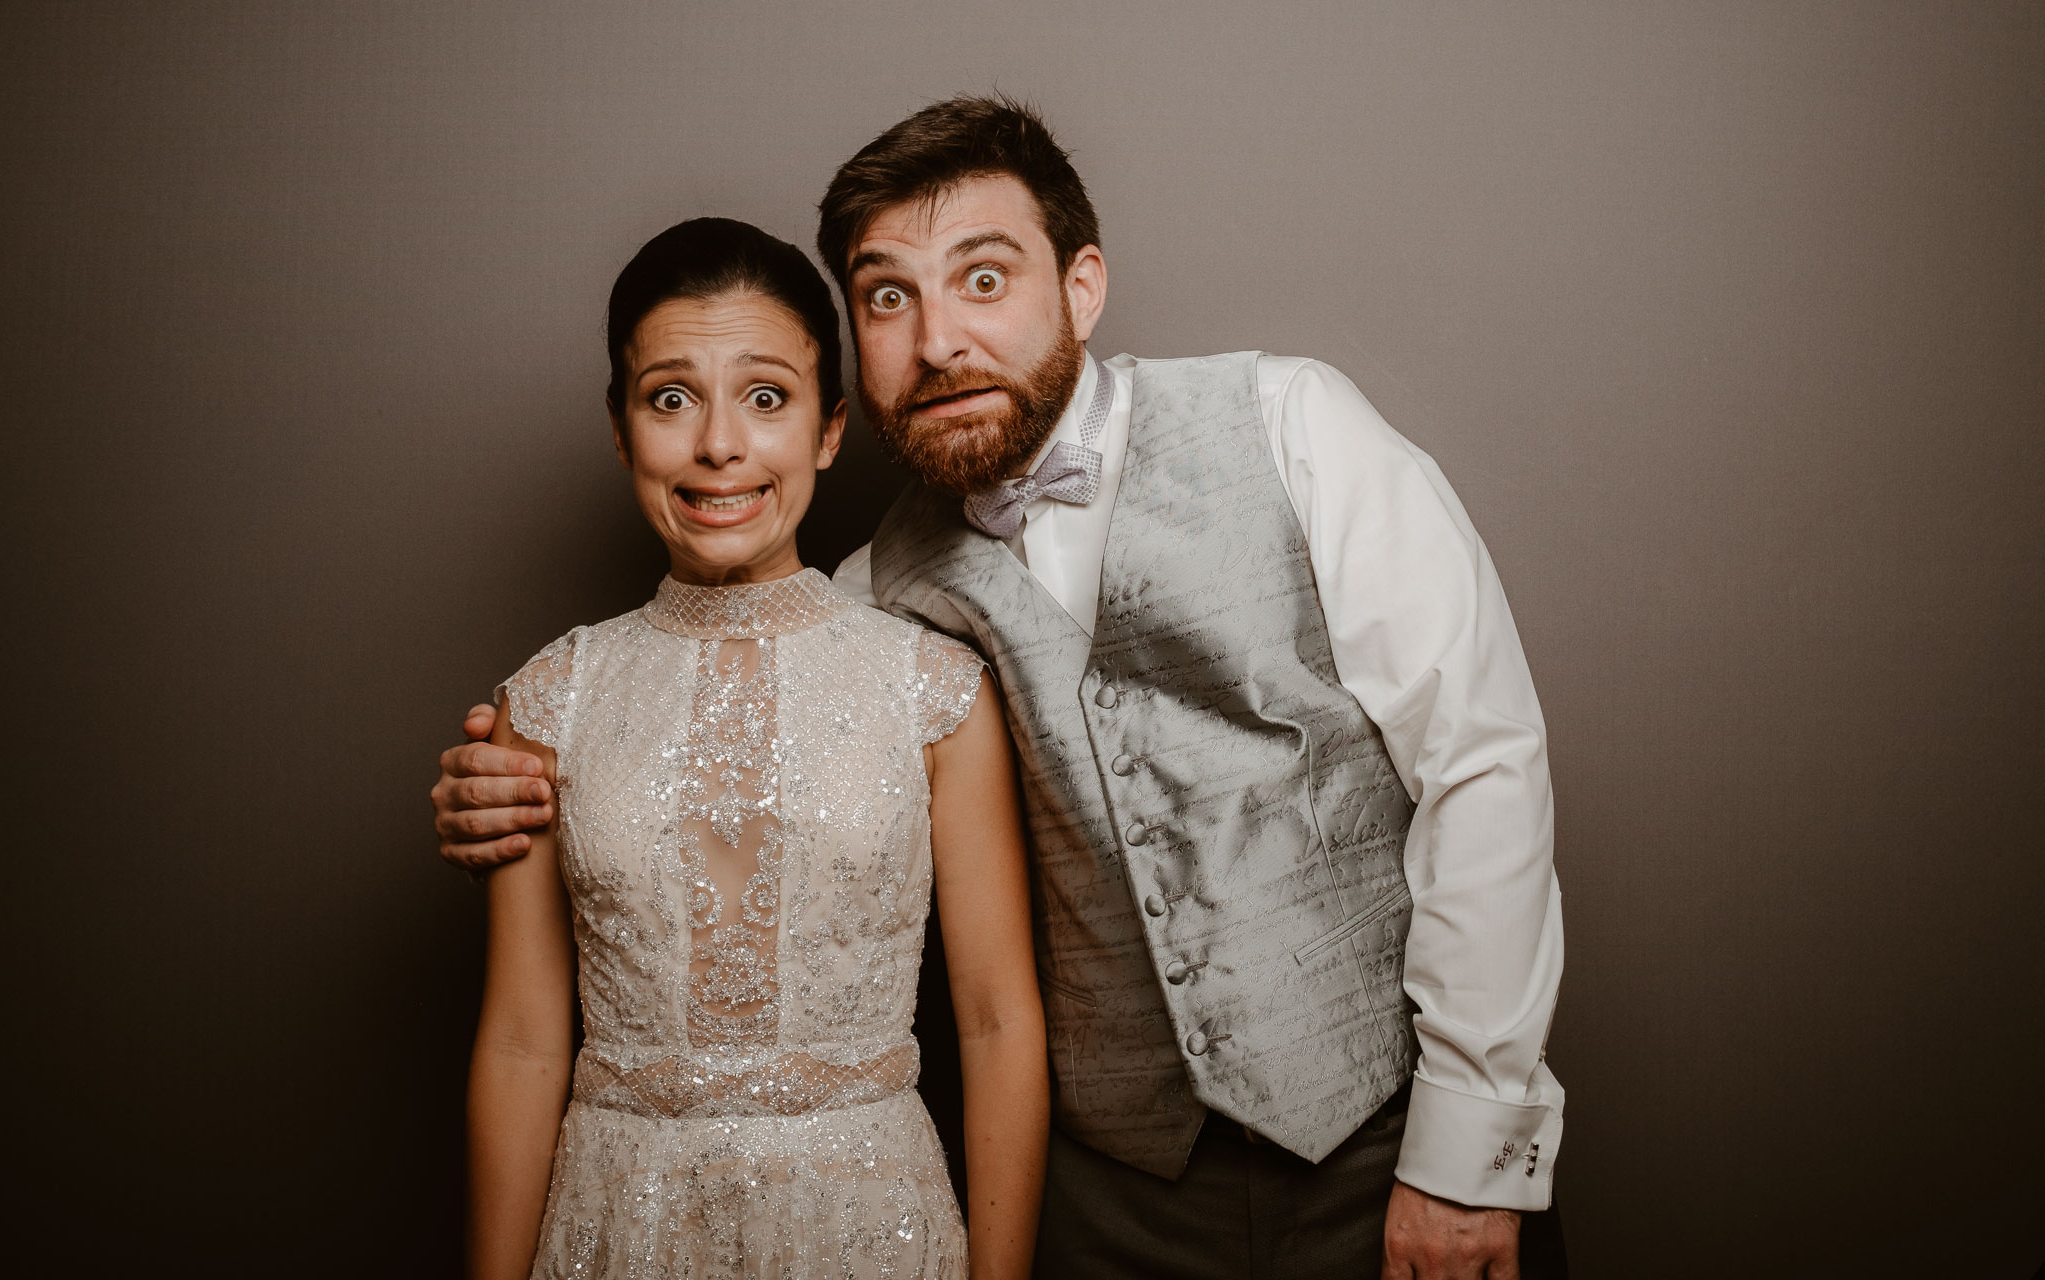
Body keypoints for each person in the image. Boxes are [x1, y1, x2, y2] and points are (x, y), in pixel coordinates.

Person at [441, 98, 1566, 1279]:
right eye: (888, 297)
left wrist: (1466, 1150)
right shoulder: (872, 598)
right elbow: (713, 736)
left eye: (983, 278)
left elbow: (1480, 761)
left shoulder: (1293, 423)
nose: (937, 342)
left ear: (1081, 286)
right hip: (1112, 1202)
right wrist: (495, 782)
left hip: (1387, 1152)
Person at [463, 216, 1047, 1280]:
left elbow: (999, 1019)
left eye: (765, 397)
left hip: (870, 1224)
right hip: (616, 1227)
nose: (718, 445)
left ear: (828, 430)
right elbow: (518, 1042)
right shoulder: (549, 698)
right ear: (620, 425)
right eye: (671, 398)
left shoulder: (933, 692)